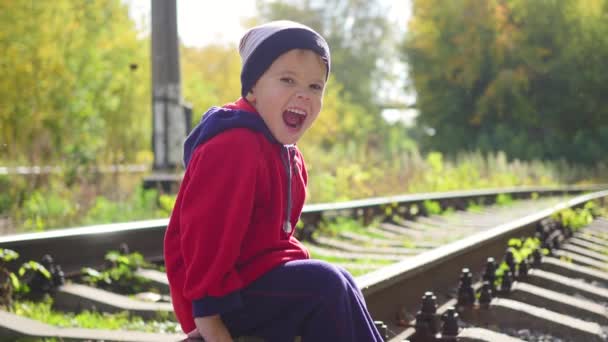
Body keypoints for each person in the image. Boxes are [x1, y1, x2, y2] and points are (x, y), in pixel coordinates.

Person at [164, 20, 383, 342]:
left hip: (251, 286)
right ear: (252, 88)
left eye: (315, 87)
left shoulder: (287, 155)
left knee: (340, 280)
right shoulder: (233, 145)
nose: (303, 95)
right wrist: (210, 324)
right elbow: (205, 238)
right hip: (217, 298)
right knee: (325, 284)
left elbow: (272, 240)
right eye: (287, 80)